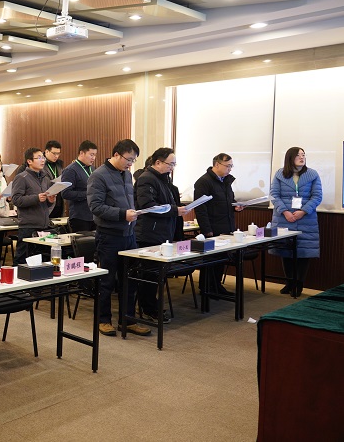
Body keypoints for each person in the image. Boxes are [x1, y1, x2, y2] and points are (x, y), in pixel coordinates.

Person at [87, 139, 151, 337]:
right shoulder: (98, 176)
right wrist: (123, 214)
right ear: (116, 154)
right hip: (109, 236)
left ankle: (128, 320)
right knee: (107, 281)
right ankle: (103, 320)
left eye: (133, 160)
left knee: (129, 280)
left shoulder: (127, 174)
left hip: (129, 235)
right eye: (128, 159)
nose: (130, 164)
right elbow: (96, 207)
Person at [134, 148, 187, 323]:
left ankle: (151, 305)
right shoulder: (146, 179)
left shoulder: (164, 180)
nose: (172, 167)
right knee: (149, 275)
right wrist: (175, 210)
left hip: (162, 232)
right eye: (170, 164)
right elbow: (149, 205)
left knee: (157, 274)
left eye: (174, 164)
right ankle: (148, 308)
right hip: (149, 234)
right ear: (158, 162)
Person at [269, 147, 322, 295]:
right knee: (286, 250)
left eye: (303, 155)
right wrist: (285, 212)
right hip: (283, 217)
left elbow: (317, 196)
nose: (302, 157)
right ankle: (289, 283)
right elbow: (274, 195)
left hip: (306, 218)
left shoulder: (312, 174)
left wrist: (303, 211)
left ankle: (299, 284)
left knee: (304, 251)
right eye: (298, 155)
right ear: (290, 157)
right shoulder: (279, 174)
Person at [193, 153, 244, 295]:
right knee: (211, 260)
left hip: (226, 227)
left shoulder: (226, 181)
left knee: (221, 259)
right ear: (217, 164)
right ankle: (206, 288)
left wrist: (236, 206)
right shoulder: (204, 182)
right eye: (228, 166)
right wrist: (207, 230)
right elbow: (200, 208)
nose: (230, 169)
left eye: (231, 166)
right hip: (213, 227)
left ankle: (216, 286)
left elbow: (228, 201)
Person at [11, 148, 55, 265]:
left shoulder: (45, 178)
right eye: (39, 158)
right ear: (29, 161)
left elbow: (45, 202)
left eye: (43, 157)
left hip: (43, 226)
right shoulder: (22, 177)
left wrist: (50, 201)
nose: (42, 160)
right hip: (28, 227)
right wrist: (36, 198)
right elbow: (16, 199)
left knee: (41, 263)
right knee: (22, 261)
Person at [61, 140, 98, 232]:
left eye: (95, 155)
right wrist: (88, 194)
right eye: (91, 155)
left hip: (94, 214)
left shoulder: (92, 169)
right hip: (80, 216)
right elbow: (65, 193)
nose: (93, 158)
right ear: (82, 153)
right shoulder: (70, 170)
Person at [43, 140, 64, 217]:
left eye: (58, 153)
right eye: (54, 153)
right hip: (46, 203)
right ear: (47, 152)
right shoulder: (41, 164)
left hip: (59, 201)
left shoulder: (59, 164)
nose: (56, 156)